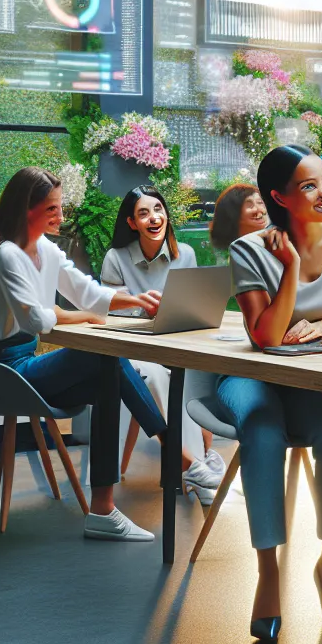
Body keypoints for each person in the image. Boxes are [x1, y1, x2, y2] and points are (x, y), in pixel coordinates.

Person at [0, 167, 213, 542]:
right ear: (26, 210)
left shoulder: (45, 250)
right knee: (101, 357)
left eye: (60, 207)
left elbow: (87, 292)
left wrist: (136, 299)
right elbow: (35, 321)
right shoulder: (6, 255)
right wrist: (71, 314)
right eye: (51, 209)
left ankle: (103, 511)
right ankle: (177, 456)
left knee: (107, 372)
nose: (61, 216)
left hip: (22, 366)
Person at [222, 145, 322, 641]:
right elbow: (266, 337)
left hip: (312, 380)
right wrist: (289, 266)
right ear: (279, 198)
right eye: (309, 186)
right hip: (251, 377)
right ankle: (268, 573)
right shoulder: (249, 250)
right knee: (262, 429)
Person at [100, 186, 224, 494]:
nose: (154, 218)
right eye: (143, 213)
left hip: (177, 346)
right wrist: (143, 309)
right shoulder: (116, 258)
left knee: (193, 373)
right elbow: (109, 312)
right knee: (156, 375)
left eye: (158, 210)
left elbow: (194, 307)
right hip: (135, 351)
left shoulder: (186, 254)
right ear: (132, 223)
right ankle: (197, 469)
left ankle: (199, 463)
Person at [208, 183, 267, 251]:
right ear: (232, 213)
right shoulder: (235, 251)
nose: (259, 209)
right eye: (249, 205)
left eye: (260, 202)